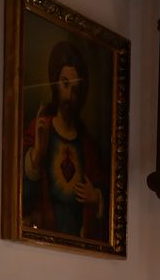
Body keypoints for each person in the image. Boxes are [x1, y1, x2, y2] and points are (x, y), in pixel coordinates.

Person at [22, 41, 108, 239]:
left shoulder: (87, 145)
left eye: (75, 89)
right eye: (65, 84)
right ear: (55, 83)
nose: (69, 96)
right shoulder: (40, 129)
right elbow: (21, 196)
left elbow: (104, 189)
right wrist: (36, 156)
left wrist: (96, 197)